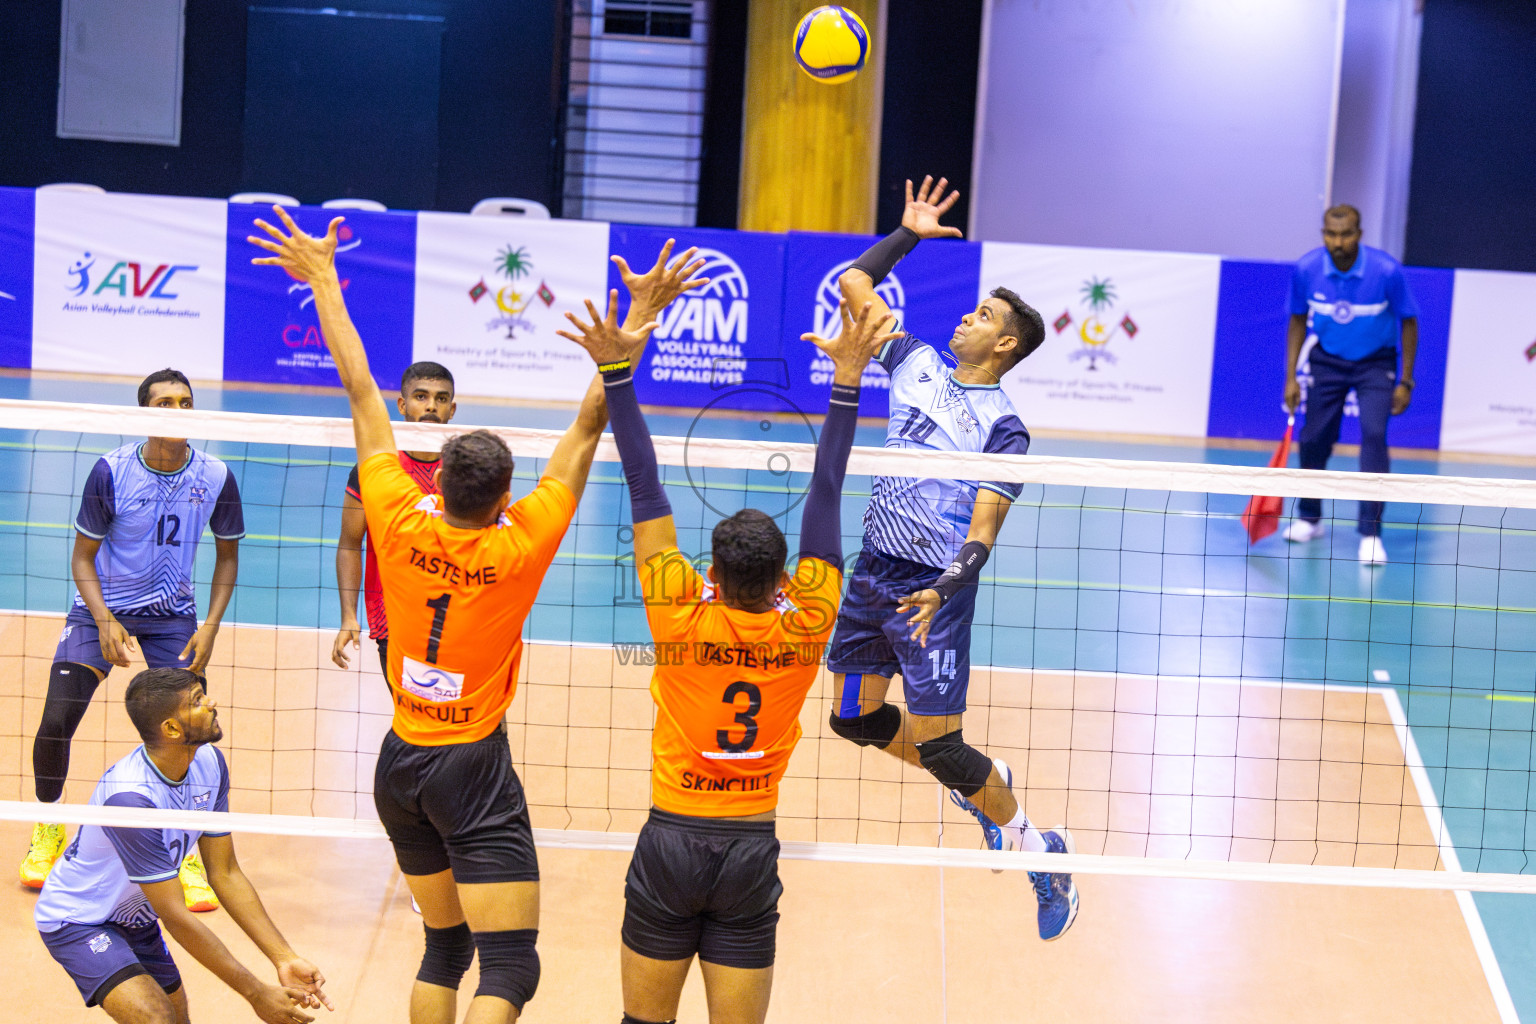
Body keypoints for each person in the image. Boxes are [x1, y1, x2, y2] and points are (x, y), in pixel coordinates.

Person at [251, 207, 706, 1024]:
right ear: (504, 496)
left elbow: (360, 388)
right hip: (472, 767)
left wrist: (322, 278)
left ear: (438, 479)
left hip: (399, 762)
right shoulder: (521, 544)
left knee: (445, 948)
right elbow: (590, 423)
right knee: (511, 965)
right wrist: (638, 320)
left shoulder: (394, 511)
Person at [560, 274, 895, 1021]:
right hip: (749, 847)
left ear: (710, 573)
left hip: (672, 837)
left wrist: (618, 371)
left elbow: (645, 486)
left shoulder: (678, 612)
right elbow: (828, 490)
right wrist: (848, 379)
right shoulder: (808, 619)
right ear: (786, 576)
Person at [822, 176, 1078, 941]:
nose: (968, 316)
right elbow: (855, 283)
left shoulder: (1007, 429)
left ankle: (1041, 849)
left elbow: (986, 527)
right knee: (851, 717)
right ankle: (980, 791)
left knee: (941, 744)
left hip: (933, 588)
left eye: (986, 316)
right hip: (874, 567)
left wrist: (946, 586)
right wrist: (906, 234)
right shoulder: (915, 362)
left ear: (1005, 345)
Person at [22, 368, 244, 916]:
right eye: (164, 403)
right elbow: (82, 557)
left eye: (186, 402)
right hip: (104, 606)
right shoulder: (112, 470)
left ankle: (187, 844)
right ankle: (48, 822)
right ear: (143, 411)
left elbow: (228, 557)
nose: (177, 410)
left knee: (192, 730)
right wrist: (102, 619)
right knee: (57, 718)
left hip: (174, 615)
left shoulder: (215, 474)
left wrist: (210, 624)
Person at [35, 666, 331, 1023]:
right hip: (80, 919)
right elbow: (176, 915)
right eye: (197, 701)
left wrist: (283, 957)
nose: (212, 703)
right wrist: (256, 993)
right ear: (172, 729)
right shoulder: (130, 801)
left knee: (178, 1020)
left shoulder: (209, 762)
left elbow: (225, 873)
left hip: (136, 915)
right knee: (157, 1018)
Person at [1282, 204, 1418, 565]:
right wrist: (1291, 376)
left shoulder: (1386, 271)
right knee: (1313, 439)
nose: (1337, 242)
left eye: (1345, 234)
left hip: (1375, 364)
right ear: (1323, 233)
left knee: (1374, 436)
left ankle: (1371, 533)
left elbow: (1409, 322)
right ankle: (1310, 517)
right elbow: (1297, 320)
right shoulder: (1307, 269)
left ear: (1359, 234)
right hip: (1327, 361)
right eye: (1330, 233)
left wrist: (1406, 380)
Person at [332, 361, 459, 679]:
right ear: (402, 404)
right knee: (412, 714)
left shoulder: (465, 471)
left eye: (441, 399)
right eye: (421, 396)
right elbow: (349, 544)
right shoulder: (373, 470)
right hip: (392, 617)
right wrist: (349, 615)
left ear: (452, 409)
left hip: (457, 617)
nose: (431, 405)